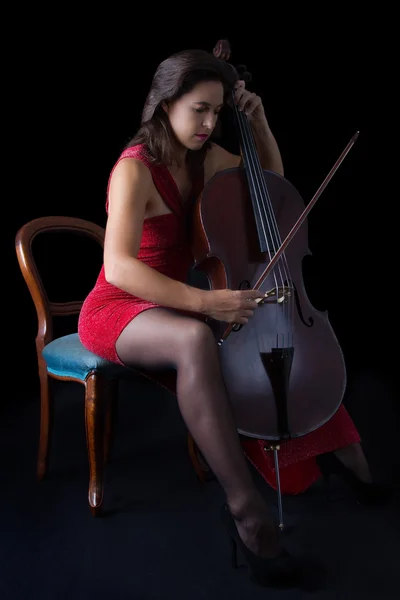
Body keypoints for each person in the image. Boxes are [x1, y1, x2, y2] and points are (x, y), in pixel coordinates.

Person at [78, 48, 384, 589]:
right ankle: (246, 510)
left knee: (271, 335)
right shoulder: (134, 168)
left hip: (173, 302)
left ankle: (341, 452)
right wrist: (204, 304)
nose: (210, 123)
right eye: (199, 109)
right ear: (164, 103)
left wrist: (259, 122)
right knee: (197, 340)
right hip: (119, 308)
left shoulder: (207, 156)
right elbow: (120, 267)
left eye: (218, 112)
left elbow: (272, 187)